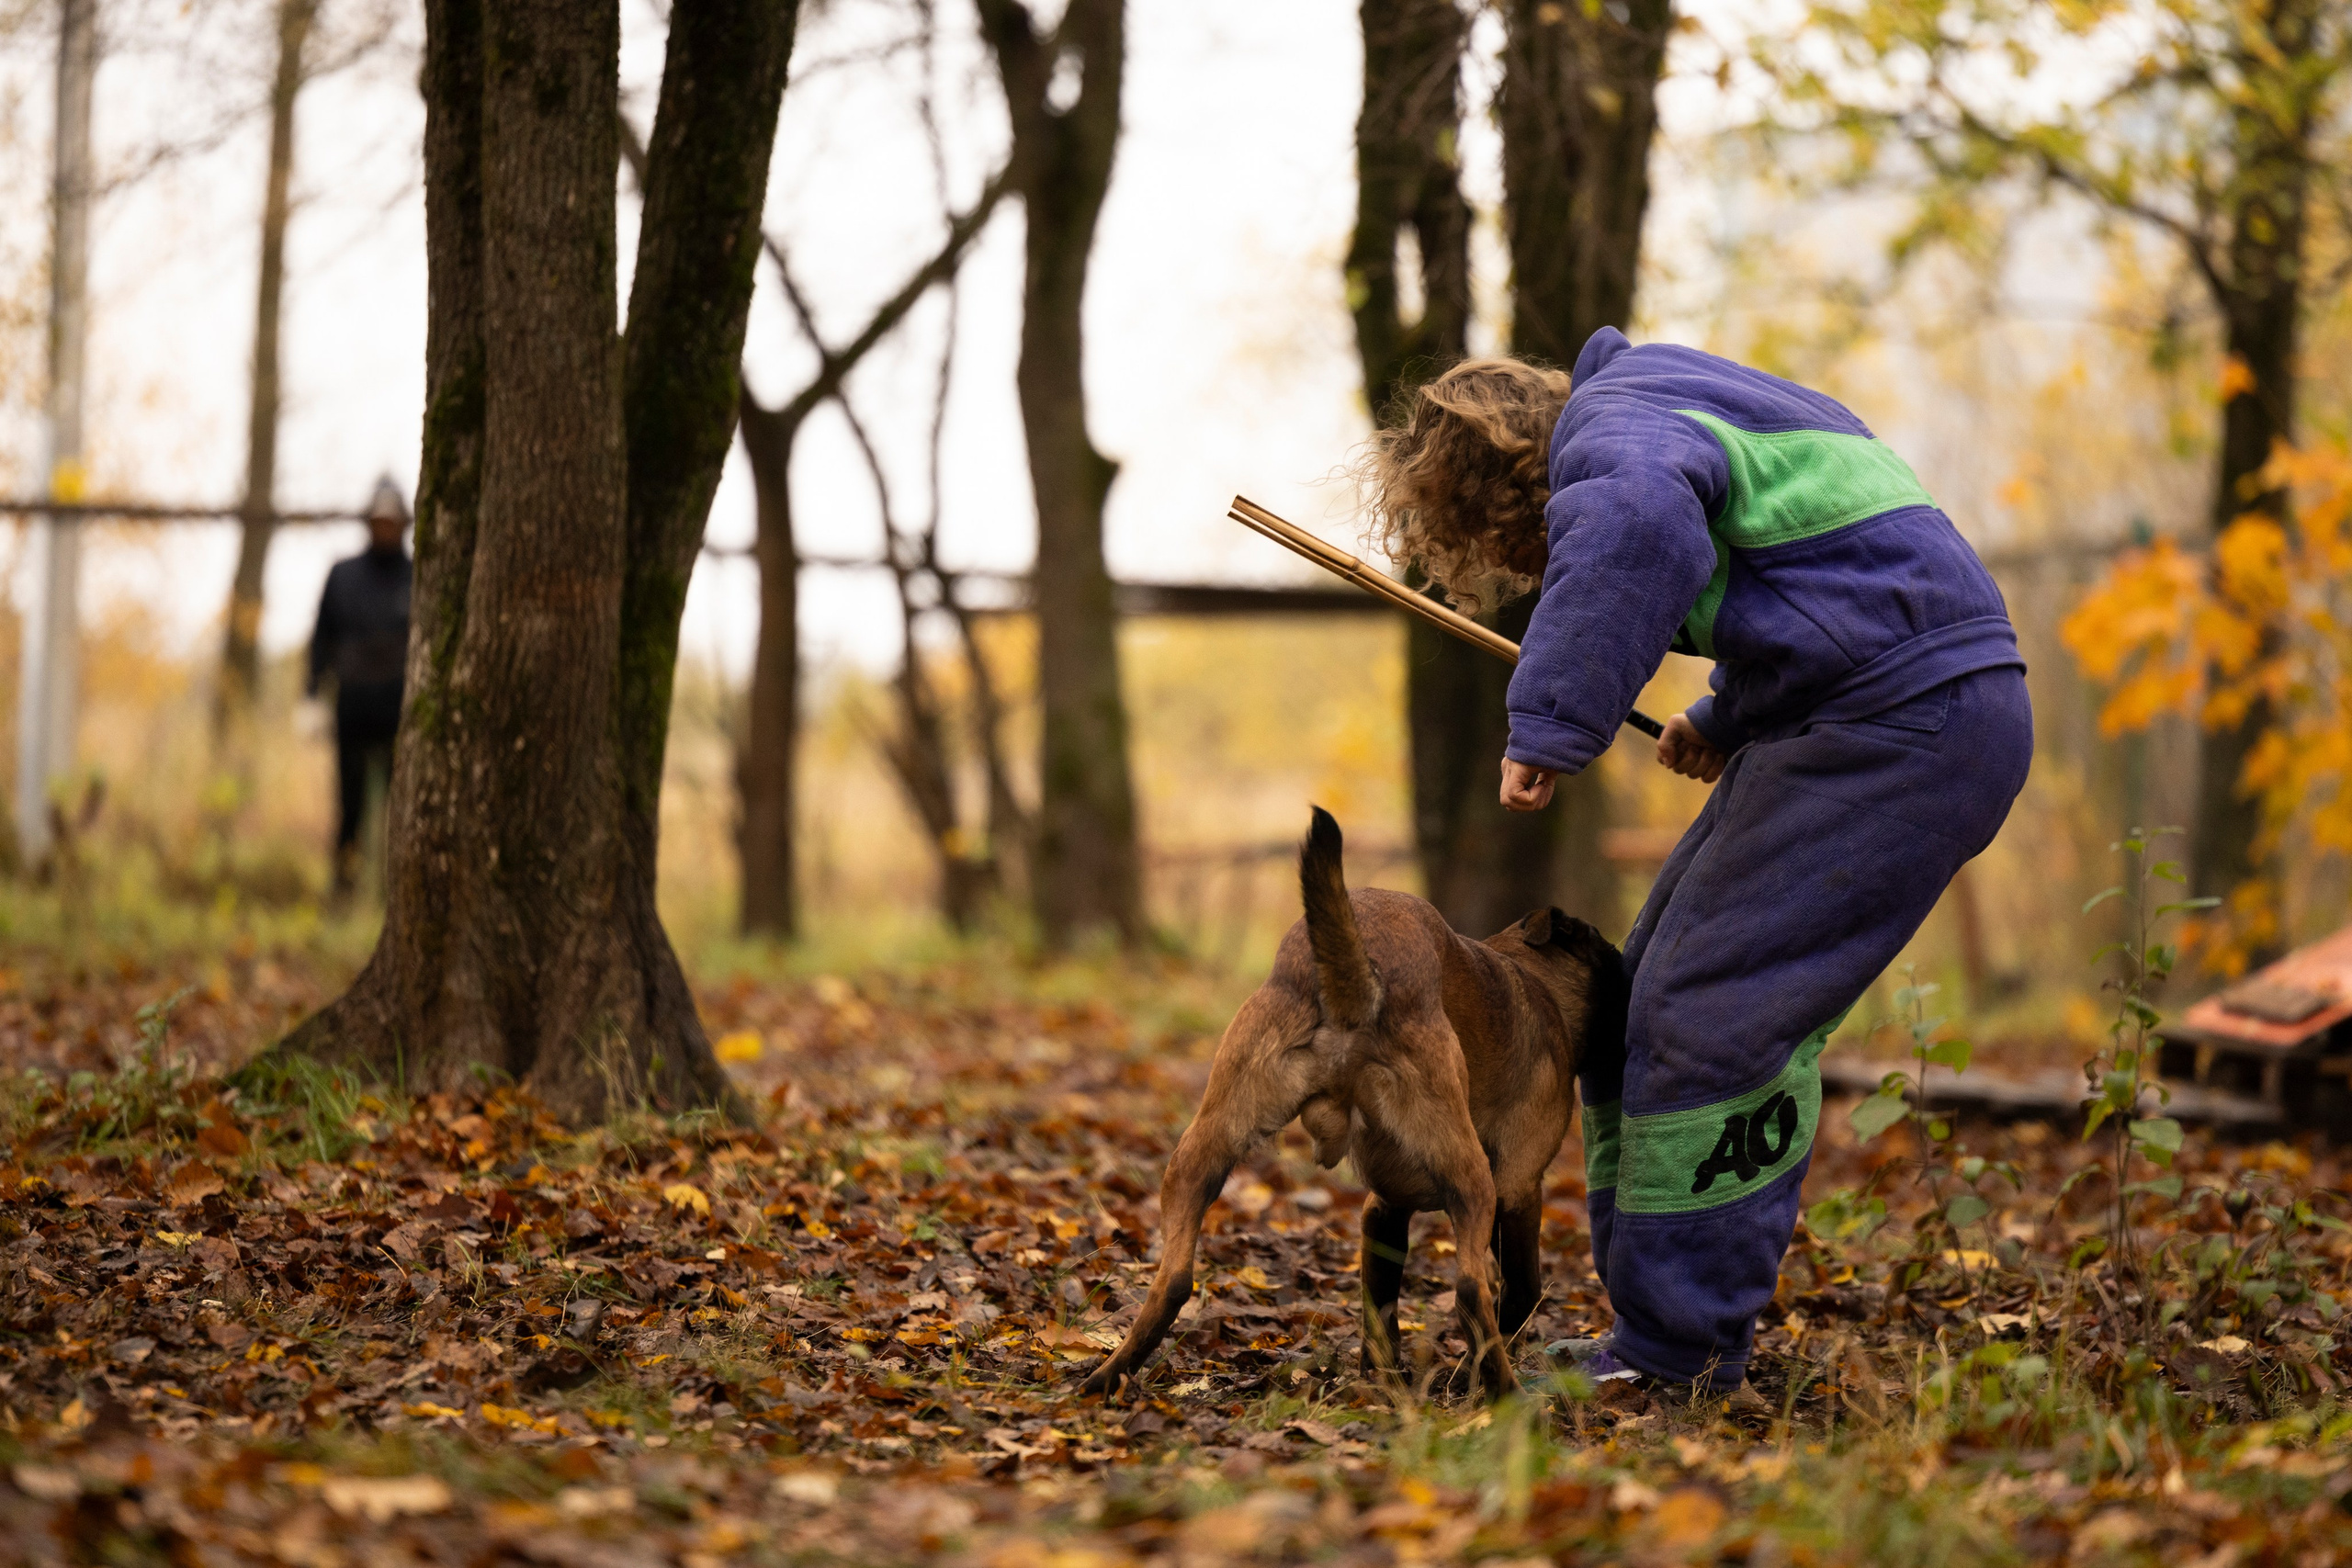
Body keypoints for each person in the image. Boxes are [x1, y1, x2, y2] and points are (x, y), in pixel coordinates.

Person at [1361, 327, 2032, 1393]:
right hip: (1882, 705)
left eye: (1497, 543)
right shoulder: (1681, 402)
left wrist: (1548, 724)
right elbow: (1843, 593)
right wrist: (1725, 714)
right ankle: (1657, 1333)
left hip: (1909, 725)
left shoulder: (1616, 435)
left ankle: (1682, 1353)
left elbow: (1632, 531)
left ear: (1497, 483)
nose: (1514, 565)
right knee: (1637, 1002)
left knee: (1708, 1015)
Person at [309, 478, 413, 899]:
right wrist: (312, 694)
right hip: (352, 707)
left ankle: (395, 894)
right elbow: (321, 636)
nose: (384, 529)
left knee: (400, 811)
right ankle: (344, 890)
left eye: (392, 521)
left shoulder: (419, 575)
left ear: (403, 524)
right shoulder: (343, 575)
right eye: (378, 521)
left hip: (401, 710)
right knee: (350, 807)